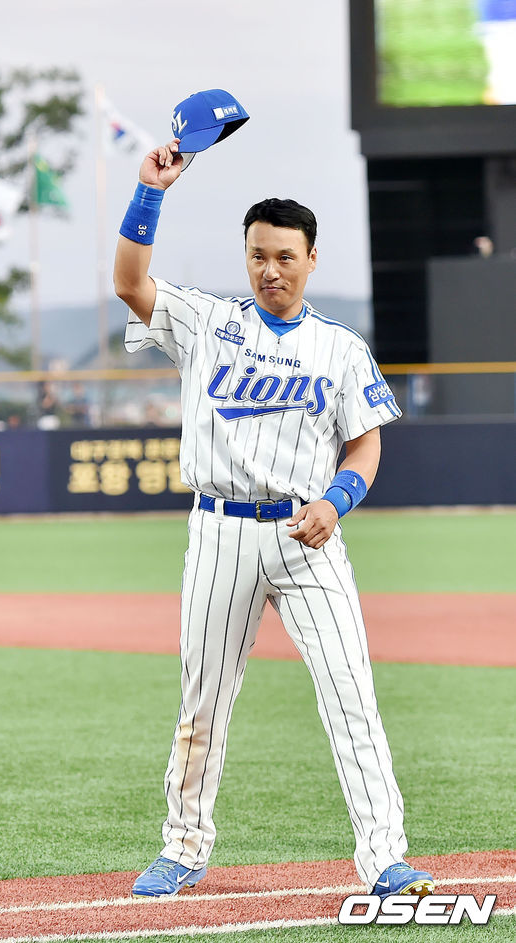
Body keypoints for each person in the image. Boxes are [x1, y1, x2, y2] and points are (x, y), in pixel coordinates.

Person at [114, 139, 435, 902]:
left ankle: (385, 858)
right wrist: (150, 190)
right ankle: (183, 846)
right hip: (220, 531)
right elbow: (129, 282)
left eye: (285, 256)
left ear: (312, 259)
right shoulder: (207, 321)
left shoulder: (340, 348)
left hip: (306, 535)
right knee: (203, 701)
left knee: (351, 693)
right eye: (258, 255)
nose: (270, 269)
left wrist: (337, 500)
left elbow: (365, 443)